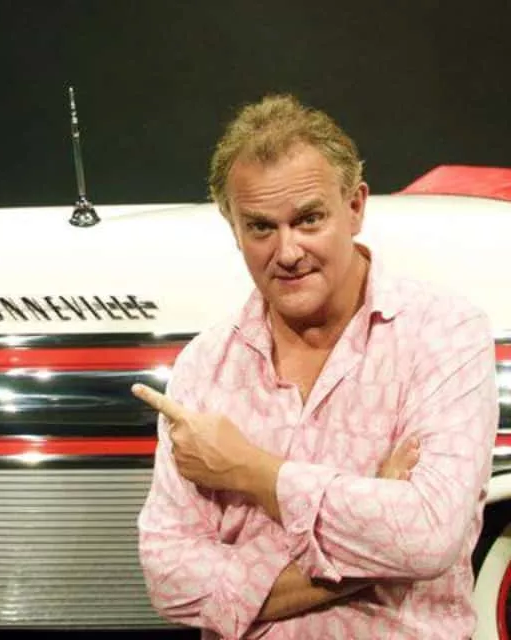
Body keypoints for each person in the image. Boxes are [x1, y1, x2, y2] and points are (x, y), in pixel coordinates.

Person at [132, 94, 499, 639]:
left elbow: (427, 535)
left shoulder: (444, 335)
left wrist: (248, 470)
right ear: (233, 229)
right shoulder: (205, 365)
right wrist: (370, 543)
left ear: (355, 207)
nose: (287, 252)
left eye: (309, 220)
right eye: (261, 227)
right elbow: (169, 577)